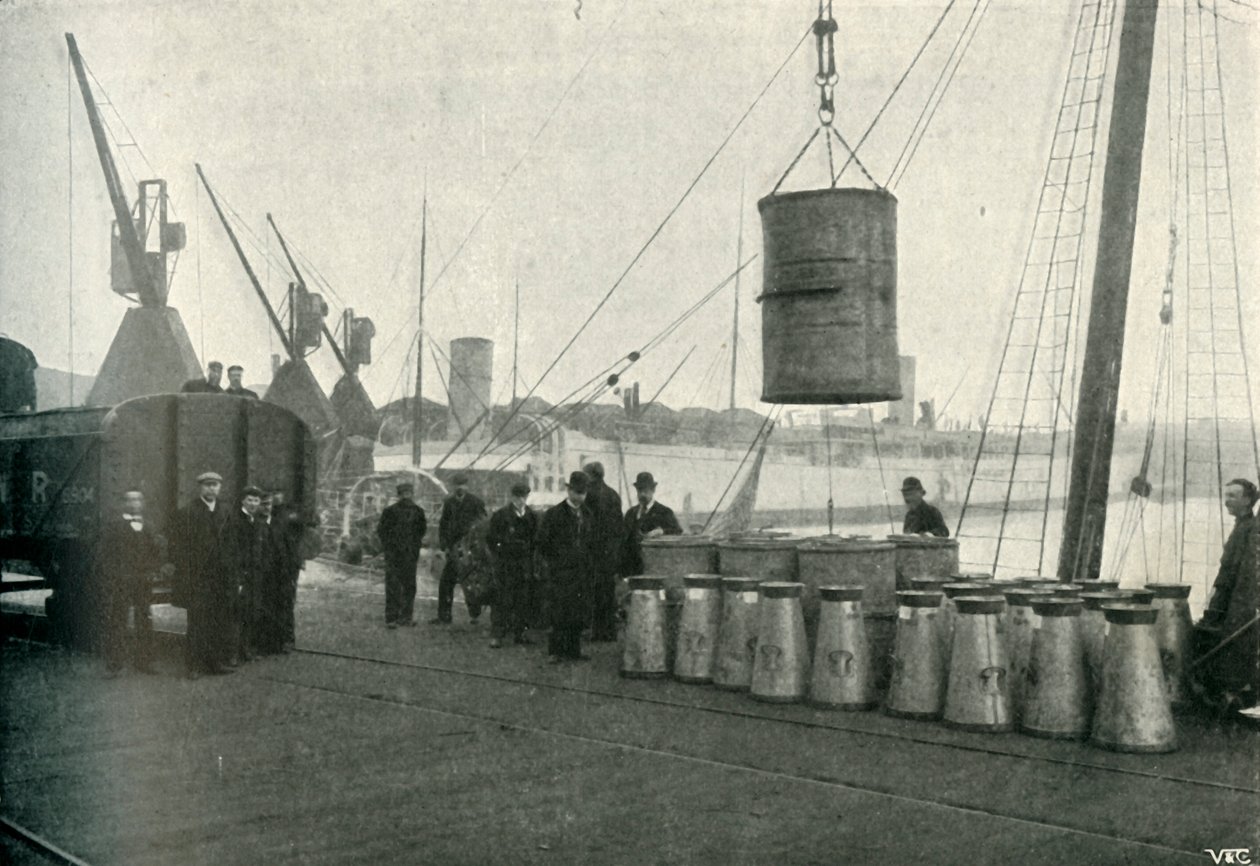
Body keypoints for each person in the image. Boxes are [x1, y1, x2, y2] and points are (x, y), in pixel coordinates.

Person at [1192, 478, 1259, 714]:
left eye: (1233, 496)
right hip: (1230, 599)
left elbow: (1237, 573)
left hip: (1239, 604)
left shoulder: (1249, 529)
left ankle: (1230, 695)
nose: (1226, 501)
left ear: (1248, 500)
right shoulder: (1243, 526)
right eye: (1226, 495)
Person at [170, 471, 232, 676]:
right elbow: (179, 547)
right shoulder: (188, 512)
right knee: (197, 621)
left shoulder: (225, 511)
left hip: (219, 576)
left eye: (215, 485)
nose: (211, 488)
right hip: (197, 577)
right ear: (200, 488)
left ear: (220, 488)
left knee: (217, 620)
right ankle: (194, 666)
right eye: (207, 485)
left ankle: (214, 662)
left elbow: (232, 545)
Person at [97, 490, 164, 675]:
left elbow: (156, 551)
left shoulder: (148, 526)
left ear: (143, 503)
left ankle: (144, 661)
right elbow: (105, 554)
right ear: (123, 504)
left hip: (143, 580)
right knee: (118, 619)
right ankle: (114, 664)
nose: (135, 503)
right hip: (122, 580)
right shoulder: (113, 526)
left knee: (144, 618)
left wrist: (153, 570)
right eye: (130, 500)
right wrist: (114, 575)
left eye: (138, 499)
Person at [537, 471, 595, 663]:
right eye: (576, 492)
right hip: (560, 571)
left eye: (583, 493)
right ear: (568, 490)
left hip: (580, 572)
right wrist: (554, 563)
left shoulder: (588, 514)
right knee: (559, 612)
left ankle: (573, 650)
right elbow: (543, 543)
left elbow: (591, 543)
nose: (580, 496)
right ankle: (555, 651)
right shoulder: (553, 514)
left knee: (577, 611)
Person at [486, 481, 538, 648]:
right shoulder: (501, 515)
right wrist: (503, 548)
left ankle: (520, 633)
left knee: (523, 600)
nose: (521, 501)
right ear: (512, 497)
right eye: (518, 497)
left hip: (523, 564)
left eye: (524, 497)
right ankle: (497, 635)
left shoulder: (531, 516)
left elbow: (535, 540)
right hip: (506, 563)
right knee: (502, 599)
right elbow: (492, 539)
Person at [221, 486, 266, 664]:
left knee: (251, 613)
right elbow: (231, 550)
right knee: (235, 615)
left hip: (254, 575)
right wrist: (237, 574)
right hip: (238, 575)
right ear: (243, 501)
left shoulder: (258, 521)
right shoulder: (234, 520)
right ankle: (231, 654)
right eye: (250, 500)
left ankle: (246, 650)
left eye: (256, 500)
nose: (253, 503)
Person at [433, 473, 486, 624]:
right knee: (446, 582)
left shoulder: (476, 502)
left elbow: (483, 525)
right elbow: (443, 525)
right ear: (453, 486)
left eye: (462, 485)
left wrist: (476, 547)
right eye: (457, 485)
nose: (460, 488)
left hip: (470, 550)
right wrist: (445, 546)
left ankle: (474, 615)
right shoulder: (449, 503)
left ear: (467, 486)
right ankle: (444, 616)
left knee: (471, 583)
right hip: (454, 549)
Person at [582, 462, 623, 642]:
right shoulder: (613, 494)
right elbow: (619, 525)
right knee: (608, 591)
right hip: (611, 551)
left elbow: (585, 524)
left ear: (590, 476)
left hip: (594, 550)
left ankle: (596, 631)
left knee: (594, 591)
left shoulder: (588, 494)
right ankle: (609, 631)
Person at [377, 482, 427, 629]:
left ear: (412, 494)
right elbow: (382, 531)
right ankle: (392, 618)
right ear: (399, 495)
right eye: (404, 493)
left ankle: (406, 617)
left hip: (409, 554)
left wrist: (413, 546)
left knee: (409, 586)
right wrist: (389, 548)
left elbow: (421, 531)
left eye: (409, 493)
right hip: (395, 554)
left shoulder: (418, 512)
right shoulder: (389, 511)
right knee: (393, 585)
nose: (407, 496)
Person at [621, 471, 683, 576]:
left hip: (655, 568)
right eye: (639, 490)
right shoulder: (631, 513)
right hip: (631, 570)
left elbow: (678, 531)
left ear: (653, 490)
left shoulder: (664, 512)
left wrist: (661, 531)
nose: (642, 494)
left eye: (645, 490)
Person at [270, 490, 306, 650]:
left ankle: (286, 639)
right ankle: (274, 640)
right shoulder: (270, 513)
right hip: (274, 563)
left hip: (288, 564)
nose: (275, 497)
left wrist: (298, 560)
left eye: (278, 493)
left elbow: (302, 536)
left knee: (285, 601)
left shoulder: (291, 514)